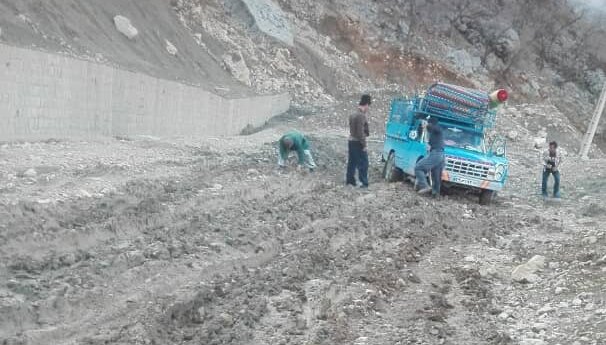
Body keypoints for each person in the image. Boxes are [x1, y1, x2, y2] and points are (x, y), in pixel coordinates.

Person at [414, 117, 445, 196]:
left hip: (436, 154)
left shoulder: (437, 128)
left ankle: (425, 186)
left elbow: (433, 127)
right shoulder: (435, 133)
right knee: (436, 175)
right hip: (440, 155)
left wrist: (427, 125)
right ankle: (436, 194)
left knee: (418, 168)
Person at [346, 94, 371, 188]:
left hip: (351, 141)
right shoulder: (361, 116)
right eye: (368, 106)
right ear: (366, 104)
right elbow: (360, 132)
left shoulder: (352, 114)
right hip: (358, 142)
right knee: (364, 163)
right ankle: (364, 183)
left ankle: (350, 181)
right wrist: (364, 145)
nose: (368, 108)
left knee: (352, 162)